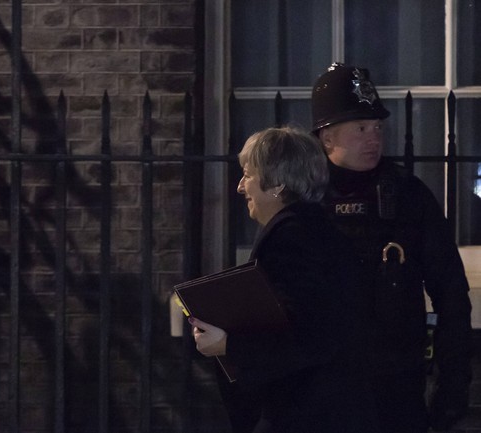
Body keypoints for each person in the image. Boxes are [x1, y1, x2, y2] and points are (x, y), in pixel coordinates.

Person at [311, 62, 473, 433]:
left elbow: (451, 294)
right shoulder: (306, 200)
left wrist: (451, 390)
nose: (374, 138)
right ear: (327, 137)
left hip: (396, 386)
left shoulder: (407, 196)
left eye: (378, 127)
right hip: (324, 388)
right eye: (361, 128)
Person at [190, 125, 381, 433]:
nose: (240, 187)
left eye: (248, 175)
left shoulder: (290, 237)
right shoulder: (316, 229)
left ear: (277, 183)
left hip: (307, 415)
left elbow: (310, 336)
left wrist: (229, 345)